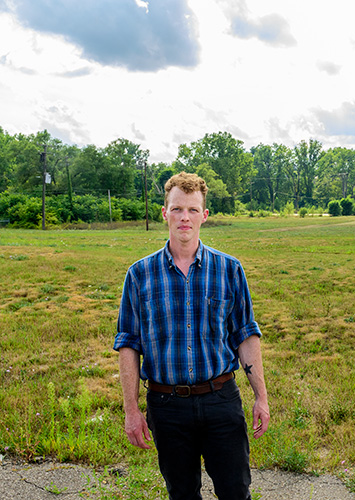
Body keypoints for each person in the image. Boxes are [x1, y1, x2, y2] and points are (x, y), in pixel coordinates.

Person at [114, 172, 270, 500]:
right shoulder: (140, 275)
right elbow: (128, 344)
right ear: (164, 213)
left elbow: (246, 334)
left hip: (220, 400)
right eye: (177, 209)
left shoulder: (229, 270)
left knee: (236, 490)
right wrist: (131, 410)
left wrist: (261, 396)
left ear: (204, 215)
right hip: (166, 405)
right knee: (182, 493)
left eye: (193, 210)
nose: (185, 217)